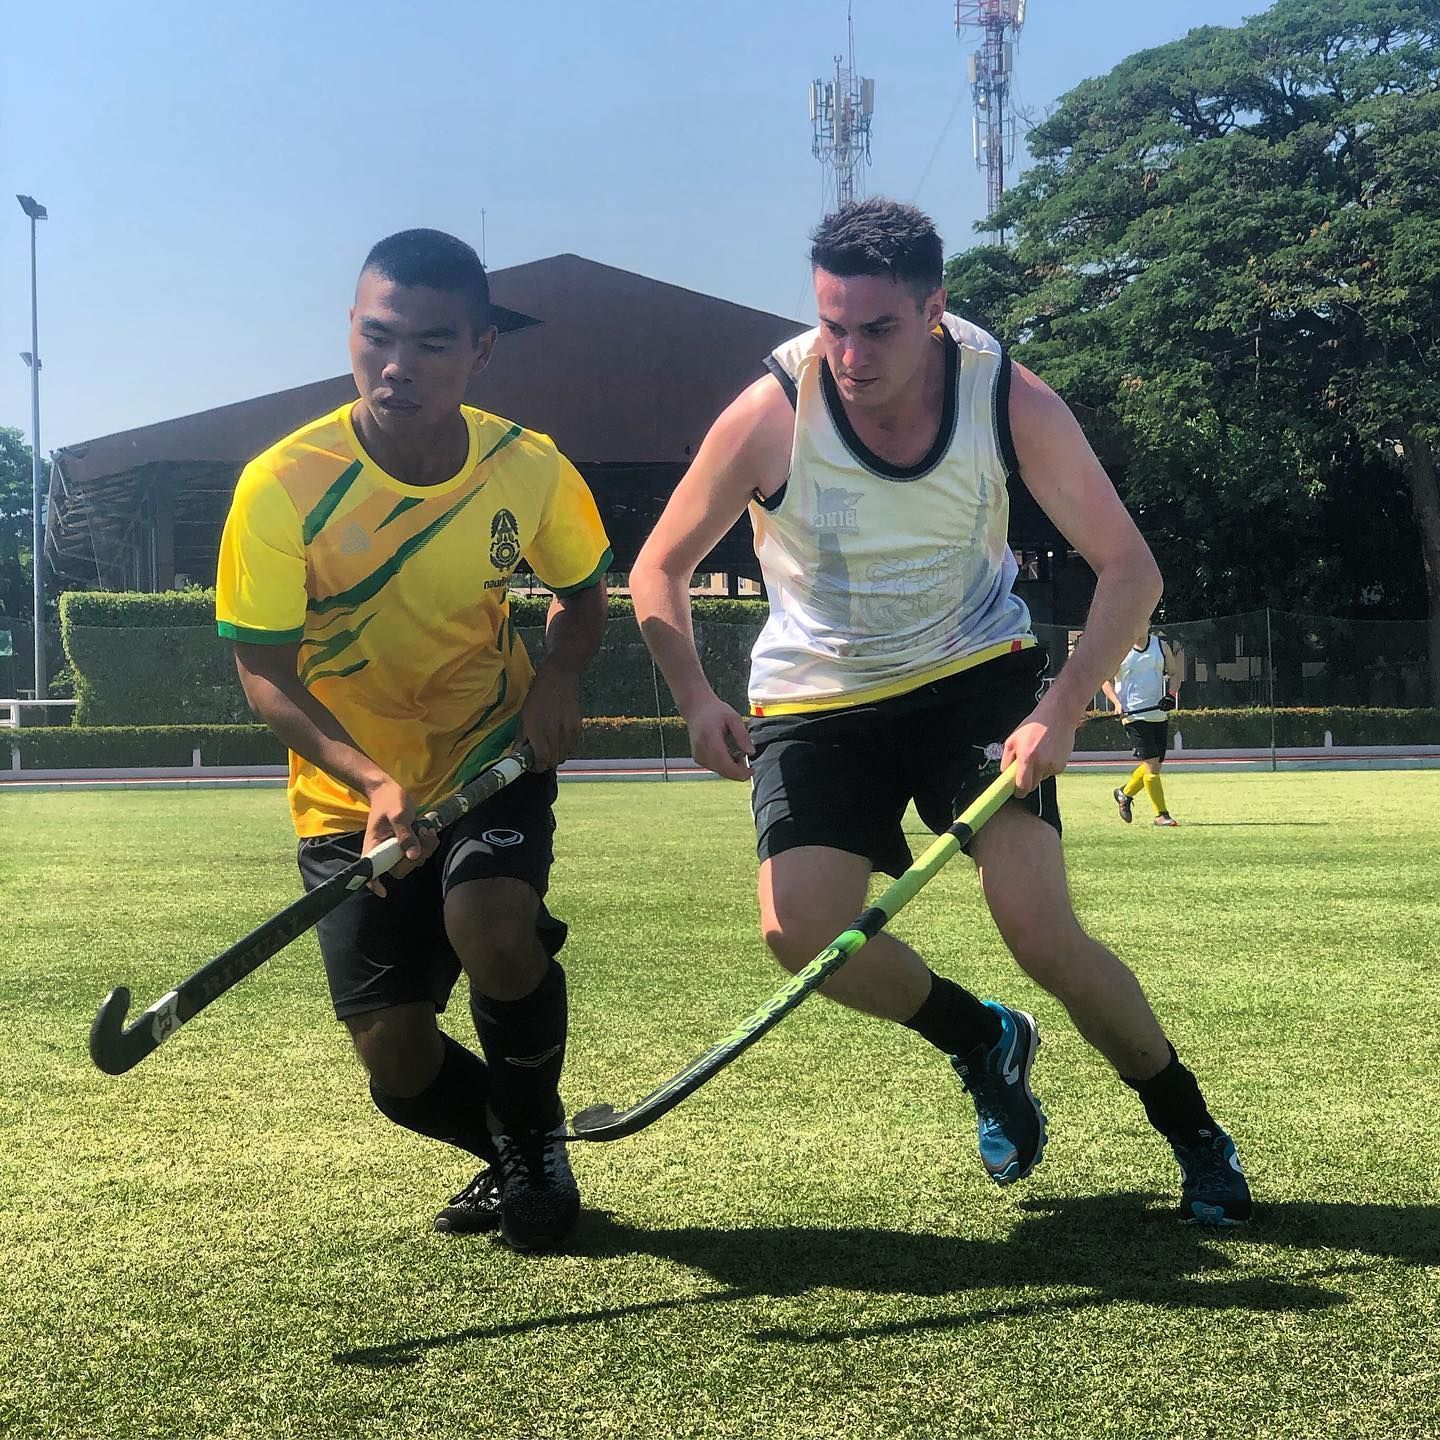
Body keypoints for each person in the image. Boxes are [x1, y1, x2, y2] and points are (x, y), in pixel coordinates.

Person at [630, 197, 1251, 1225]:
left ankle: (1194, 1133)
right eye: (832, 325)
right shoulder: (772, 411)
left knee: (1040, 931)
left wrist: (1061, 709)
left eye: (877, 329)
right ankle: (981, 1038)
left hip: (974, 675)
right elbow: (658, 568)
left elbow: (1130, 569)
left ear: (933, 311)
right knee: (800, 931)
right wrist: (695, 698)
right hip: (817, 696)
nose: (850, 355)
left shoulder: (1005, 397)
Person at [215, 229, 612, 1252]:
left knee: (492, 926)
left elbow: (581, 597)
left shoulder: (527, 466)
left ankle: (535, 1142)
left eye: (432, 344)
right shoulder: (281, 483)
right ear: (349, 330)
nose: (398, 366)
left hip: (489, 759)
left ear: (480, 350)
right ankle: (509, 1143)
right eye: (378, 337)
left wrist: (558, 679)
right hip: (350, 797)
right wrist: (371, 780)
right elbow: (265, 674)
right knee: (393, 1059)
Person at [1102, 628, 1181, 827]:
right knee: (1152, 765)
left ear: (1148, 624)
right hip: (1133, 716)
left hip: (1158, 714)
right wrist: (1116, 704)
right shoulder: (1119, 648)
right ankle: (1161, 815)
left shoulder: (1161, 646)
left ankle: (1124, 793)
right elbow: (1105, 680)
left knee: (1153, 766)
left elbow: (1174, 674)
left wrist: (1171, 695)